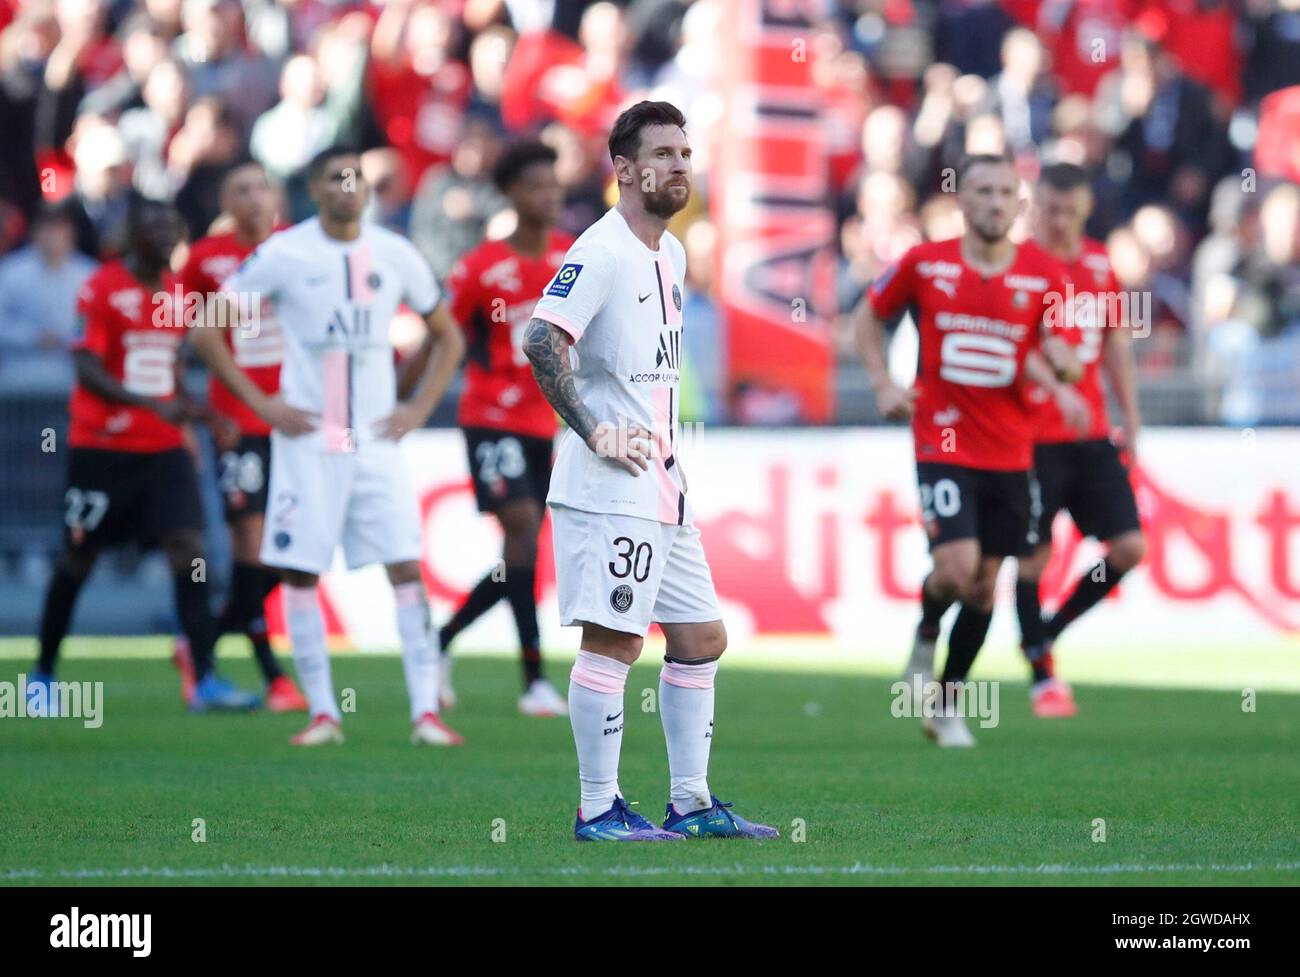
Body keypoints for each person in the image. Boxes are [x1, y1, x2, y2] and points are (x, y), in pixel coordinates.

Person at [524, 101, 778, 840]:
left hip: (663, 482)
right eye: (663, 154)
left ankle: (692, 804)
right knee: (615, 640)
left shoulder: (669, 252)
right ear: (625, 170)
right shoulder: (600, 250)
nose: (678, 167)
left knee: (701, 637)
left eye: (686, 153)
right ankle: (597, 807)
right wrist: (597, 429)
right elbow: (542, 339)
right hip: (609, 486)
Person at [190, 145, 466, 746]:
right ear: (313, 189)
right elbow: (206, 329)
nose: (350, 187)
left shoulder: (393, 252)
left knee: (404, 567)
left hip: (374, 440)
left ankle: (425, 714)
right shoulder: (286, 253)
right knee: (296, 570)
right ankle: (323, 714)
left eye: (358, 177)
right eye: (336, 178)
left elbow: (447, 335)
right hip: (310, 440)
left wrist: (416, 408)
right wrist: (260, 404)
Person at [854, 153, 1090, 747]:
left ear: (1019, 204)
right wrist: (884, 382)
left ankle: (946, 702)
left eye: (1004, 193)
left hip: (1012, 449)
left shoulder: (1043, 274)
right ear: (962, 200)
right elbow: (867, 318)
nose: (992, 202)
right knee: (956, 569)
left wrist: (1063, 365)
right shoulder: (925, 263)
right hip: (944, 438)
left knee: (985, 584)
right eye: (981, 191)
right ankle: (925, 635)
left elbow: (1060, 344)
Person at [31, 197, 259, 713]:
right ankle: (43, 674)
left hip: (161, 450)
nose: (163, 238)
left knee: (190, 551)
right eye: (152, 229)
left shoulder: (178, 293)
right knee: (79, 557)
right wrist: (150, 405)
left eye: (170, 229)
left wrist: (202, 418)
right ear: (132, 237)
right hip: (102, 448)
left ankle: (204, 678)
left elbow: (169, 370)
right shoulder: (102, 288)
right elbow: (86, 367)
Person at [433, 140, 573, 717]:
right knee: (519, 527)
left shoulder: (573, 258)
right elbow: (440, 334)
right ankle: (534, 678)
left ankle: (440, 639)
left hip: (549, 423)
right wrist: (405, 394)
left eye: (554, 185)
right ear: (512, 194)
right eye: (537, 186)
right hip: (490, 417)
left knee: (520, 547)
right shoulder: (480, 267)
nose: (550, 195)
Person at [1009, 162, 1146, 716]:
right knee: (1034, 558)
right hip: (1031, 438)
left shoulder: (1096, 262)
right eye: (1048, 209)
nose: (1058, 220)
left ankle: (1047, 630)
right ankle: (1043, 677)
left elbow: (1114, 341)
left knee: (1130, 547)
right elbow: (1008, 346)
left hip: (1089, 433)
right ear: (1033, 207)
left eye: (1069, 211)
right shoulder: (1017, 264)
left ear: (1086, 209)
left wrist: (1130, 415)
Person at [174, 159, 308, 711]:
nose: (253, 199)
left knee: (291, 554)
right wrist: (192, 416)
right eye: (241, 190)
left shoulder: (300, 249)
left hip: (297, 420)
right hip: (238, 419)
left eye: (261, 188)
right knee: (249, 544)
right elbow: (177, 342)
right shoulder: (205, 262)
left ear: (275, 195)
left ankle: (197, 644)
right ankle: (274, 677)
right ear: (225, 204)